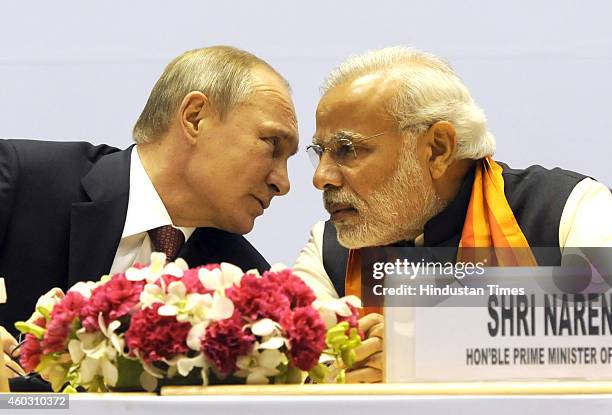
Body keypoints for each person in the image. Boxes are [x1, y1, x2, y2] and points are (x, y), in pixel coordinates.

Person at [293, 46, 612, 382]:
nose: (321, 177)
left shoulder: (568, 209)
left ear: (438, 149)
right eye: (321, 153)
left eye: (347, 149)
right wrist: (339, 372)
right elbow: (291, 373)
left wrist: (419, 356)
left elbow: (603, 331)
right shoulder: (329, 250)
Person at [0, 46, 298, 389]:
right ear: (195, 117)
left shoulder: (244, 286)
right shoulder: (22, 179)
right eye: (271, 144)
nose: (283, 182)